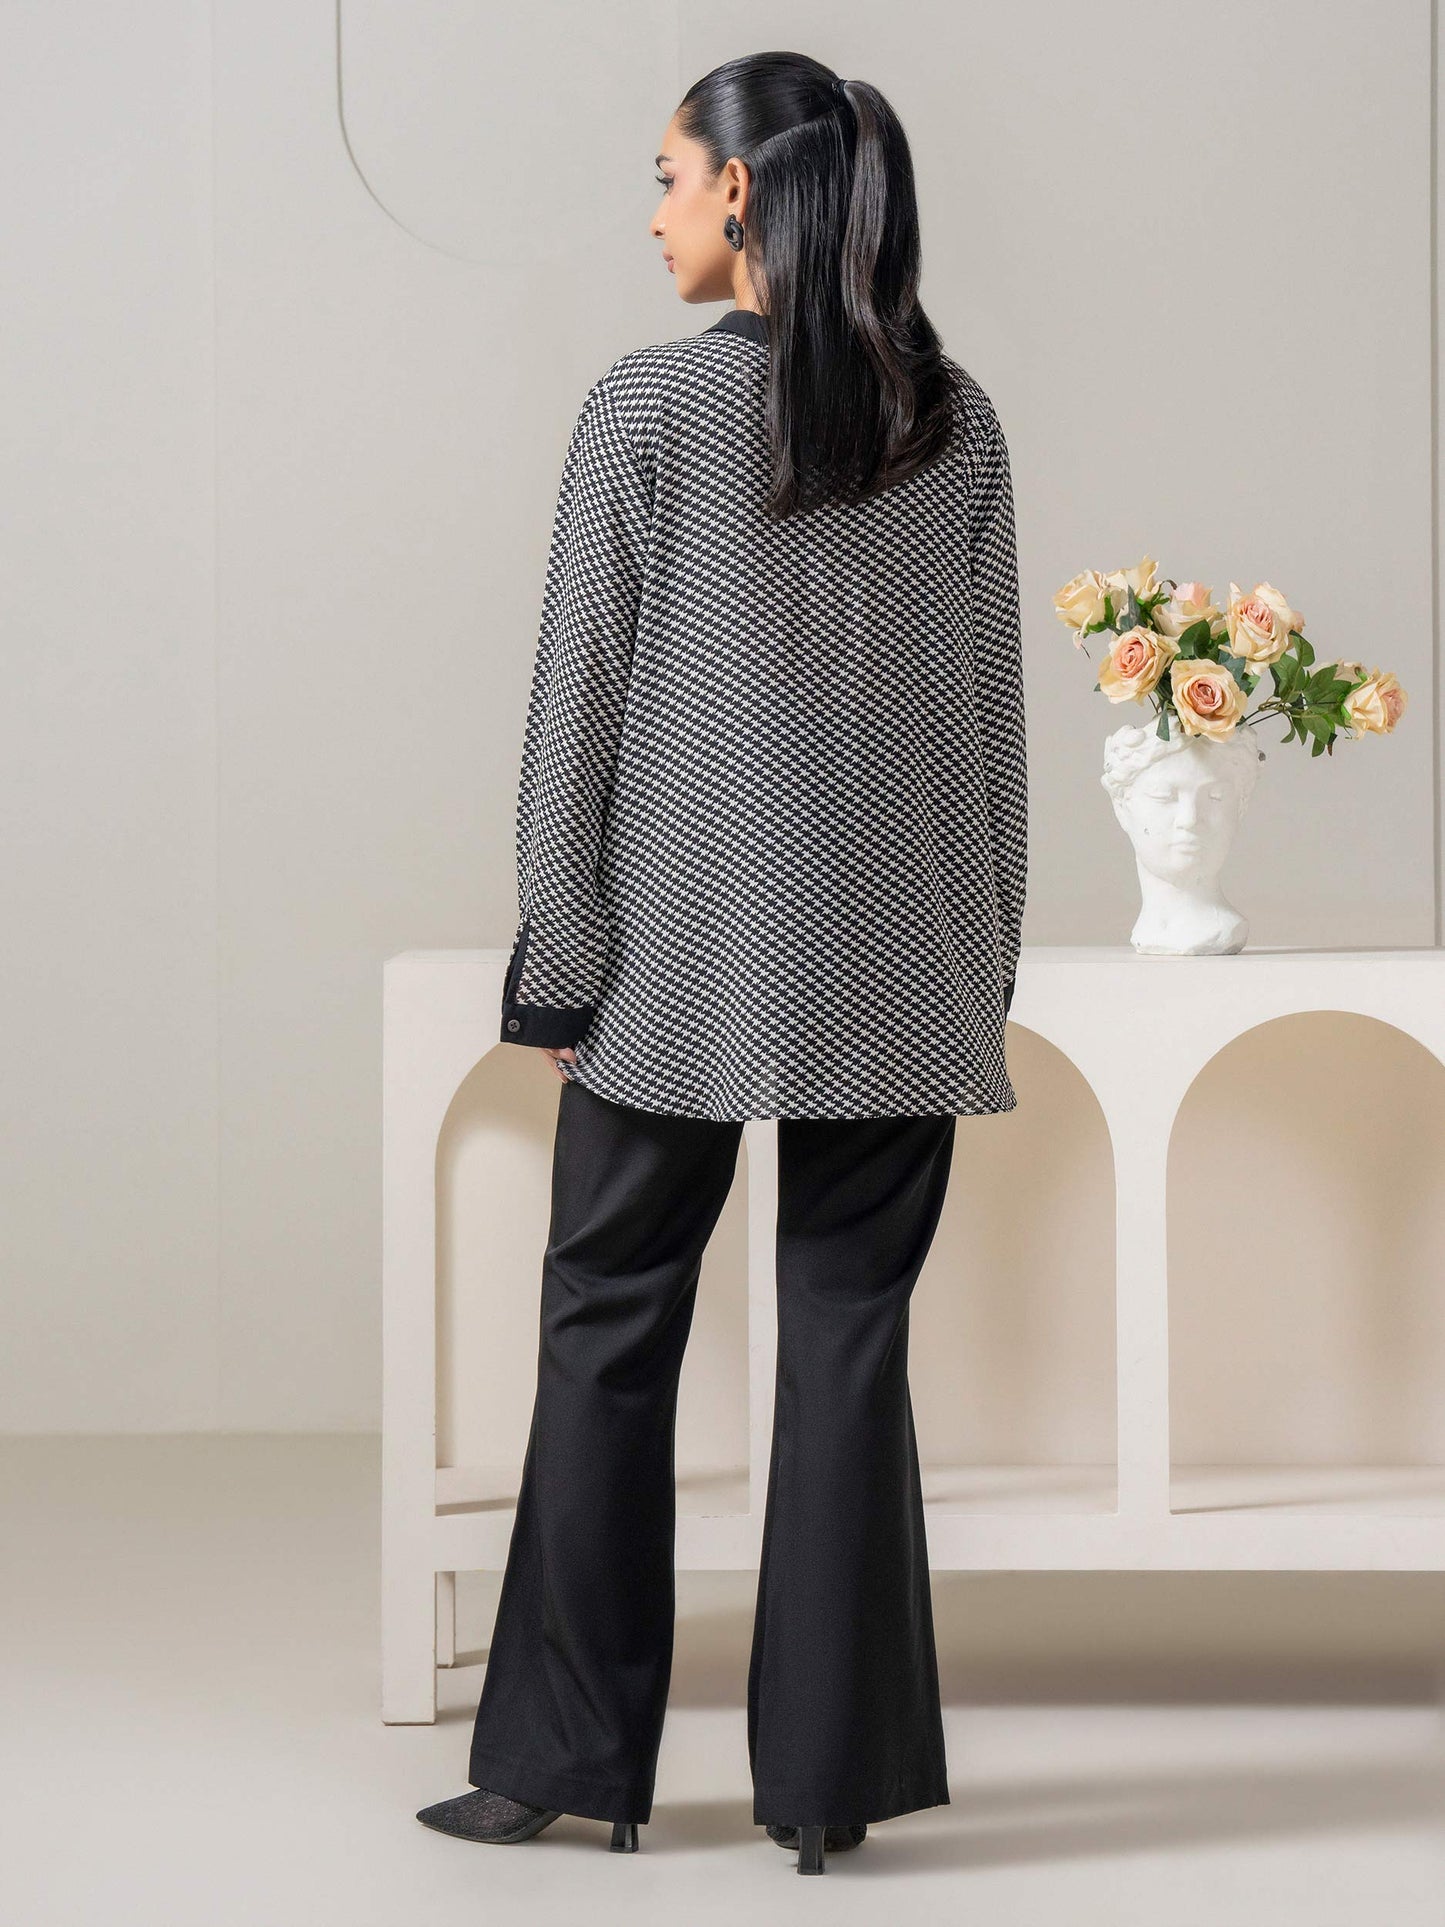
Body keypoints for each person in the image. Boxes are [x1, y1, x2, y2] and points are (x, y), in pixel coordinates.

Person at [416, 49, 1027, 1876]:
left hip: (678, 960)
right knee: (848, 1346)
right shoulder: (954, 420)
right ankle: (826, 1788)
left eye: (669, 176)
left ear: (744, 190)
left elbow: (578, 707)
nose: (654, 213)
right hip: (903, 959)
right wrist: (977, 961)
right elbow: (991, 724)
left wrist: (561, 955)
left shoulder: (649, 407)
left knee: (607, 1323)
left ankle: (563, 1764)